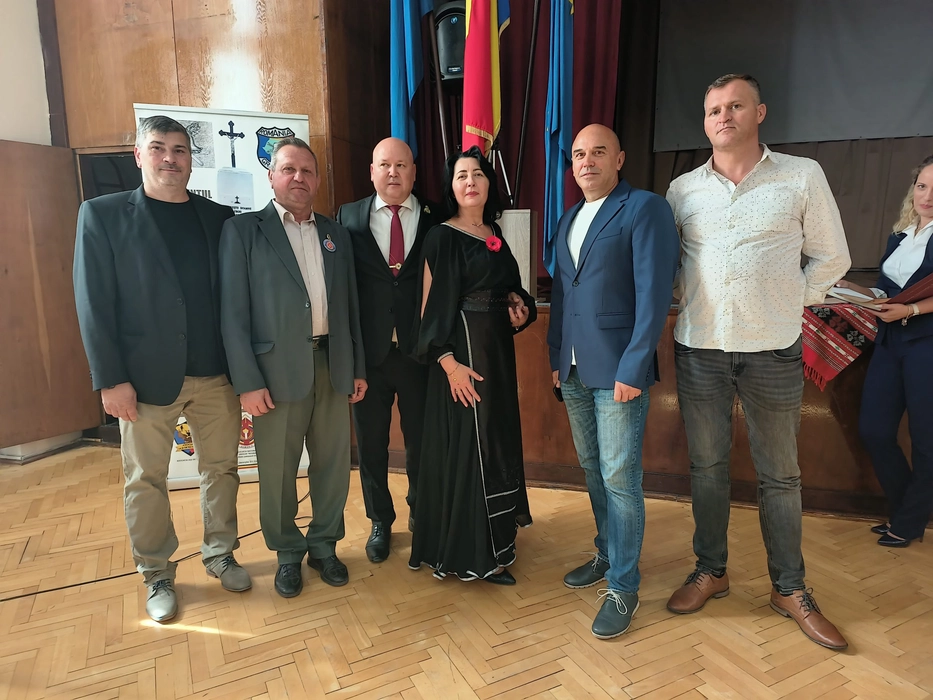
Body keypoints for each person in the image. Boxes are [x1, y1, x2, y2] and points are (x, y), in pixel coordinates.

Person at [665, 74, 851, 650]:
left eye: (735, 105)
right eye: (714, 110)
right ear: (704, 122)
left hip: (773, 348)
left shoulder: (801, 176)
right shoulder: (682, 189)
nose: (724, 116)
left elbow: (833, 256)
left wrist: (788, 300)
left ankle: (788, 588)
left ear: (759, 112)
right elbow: (669, 263)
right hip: (700, 347)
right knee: (707, 468)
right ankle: (711, 571)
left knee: (781, 475)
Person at [73, 115, 250, 623]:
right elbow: (93, 303)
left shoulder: (218, 217)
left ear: (191, 159)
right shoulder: (103, 214)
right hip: (143, 381)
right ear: (138, 155)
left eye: (179, 149)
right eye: (158, 148)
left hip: (216, 375)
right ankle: (156, 573)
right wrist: (110, 379)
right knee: (145, 479)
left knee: (222, 470)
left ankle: (220, 553)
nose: (169, 158)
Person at [219, 137, 367, 598]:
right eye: (288, 169)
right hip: (274, 373)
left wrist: (357, 366)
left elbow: (349, 307)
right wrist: (246, 381)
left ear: (317, 179)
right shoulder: (243, 231)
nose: (298, 177)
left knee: (332, 466)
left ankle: (324, 545)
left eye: (306, 170)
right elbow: (232, 314)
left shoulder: (335, 233)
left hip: (333, 365)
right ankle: (287, 552)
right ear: (271, 176)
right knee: (278, 470)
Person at [548, 124, 680, 639]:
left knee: (620, 478)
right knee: (592, 468)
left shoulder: (644, 208)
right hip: (574, 369)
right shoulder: (568, 218)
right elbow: (563, 295)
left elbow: (653, 294)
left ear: (619, 159)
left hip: (619, 369)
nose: (587, 161)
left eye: (598, 152)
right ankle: (606, 553)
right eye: (579, 154)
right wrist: (556, 356)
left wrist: (634, 364)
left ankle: (624, 586)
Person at [408, 146, 536, 585]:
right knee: (471, 450)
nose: (470, 181)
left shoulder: (495, 234)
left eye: (477, 174)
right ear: (451, 186)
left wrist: (521, 307)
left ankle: (498, 540)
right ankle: (475, 554)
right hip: (462, 362)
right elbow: (428, 312)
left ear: (487, 182)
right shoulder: (441, 236)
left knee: (496, 443)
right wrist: (449, 364)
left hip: (497, 358)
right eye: (461, 175)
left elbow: (512, 290)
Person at [336, 138, 438, 563]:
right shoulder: (348, 217)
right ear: (372, 171)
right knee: (372, 446)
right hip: (369, 358)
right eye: (385, 165)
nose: (393, 172)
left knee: (422, 443)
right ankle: (380, 520)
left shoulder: (435, 217)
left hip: (420, 355)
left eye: (401, 165)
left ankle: (422, 511)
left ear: (413, 171)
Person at [837, 155, 933, 548]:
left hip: (927, 344)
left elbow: (910, 301)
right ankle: (908, 512)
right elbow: (887, 291)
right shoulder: (901, 236)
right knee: (874, 430)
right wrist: (853, 290)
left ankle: (907, 521)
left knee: (926, 440)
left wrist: (910, 310)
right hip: (891, 342)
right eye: (922, 185)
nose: (927, 195)